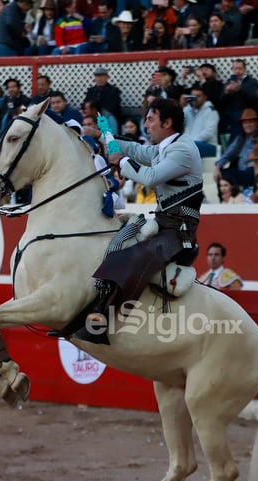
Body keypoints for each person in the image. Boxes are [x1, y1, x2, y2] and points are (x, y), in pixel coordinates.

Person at [72, 98, 203, 345]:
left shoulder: (183, 150)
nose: (146, 125)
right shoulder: (167, 147)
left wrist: (120, 161)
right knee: (118, 238)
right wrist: (101, 135)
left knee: (136, 257)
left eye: (151, 119)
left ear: (168, 122)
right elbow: (136, 151)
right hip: (166, 223)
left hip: (179, 231)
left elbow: (151, 177)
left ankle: (103, 319)